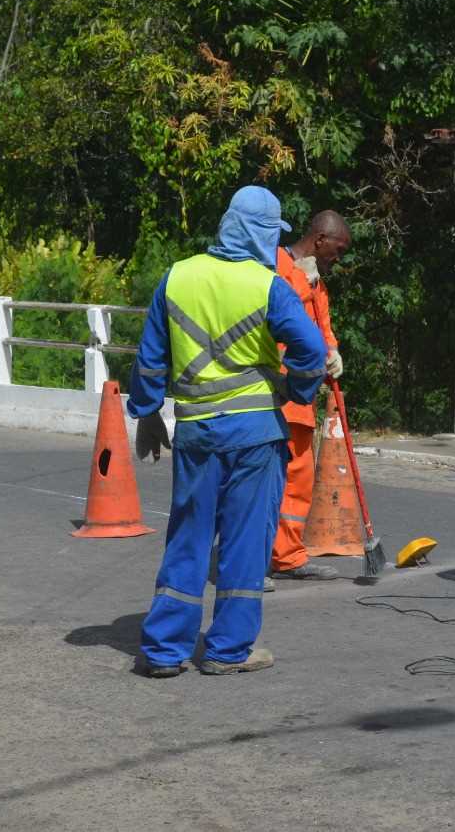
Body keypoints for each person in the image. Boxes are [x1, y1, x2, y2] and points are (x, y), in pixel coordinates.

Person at [128, 186, 327, 678]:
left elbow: (151, 358)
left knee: (189, 539)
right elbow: (312, 353)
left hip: (196, 434)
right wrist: (295, 390)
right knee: (244, 545)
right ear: (259, 234)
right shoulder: (267, 286)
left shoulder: (178, 277)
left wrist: (148, 414)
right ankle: (227, 650)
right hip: (256, 436)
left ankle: (164, 651)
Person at [269, 211, 351, 585]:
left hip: (301, 397)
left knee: (298, 479)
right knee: (268, 480)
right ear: (320, 240)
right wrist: (303, 281)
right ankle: (249, 559)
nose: (339, 257)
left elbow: (321, 327)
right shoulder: (278, 265)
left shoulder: (316, 282)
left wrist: (331, 353)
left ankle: (286, 556)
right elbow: (276, 313)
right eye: (337, 249)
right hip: (274, 393)